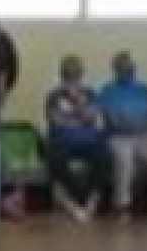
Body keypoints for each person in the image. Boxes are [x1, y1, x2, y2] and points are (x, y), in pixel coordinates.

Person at [96, 52, 147, 220]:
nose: (127, 71)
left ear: (134, 69)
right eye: (122, 68)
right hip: (119, 135)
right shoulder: (108, 90)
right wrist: (125, 123)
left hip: (145, 135)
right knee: (124, 159)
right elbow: (109, 117)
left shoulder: (146, 90)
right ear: (115, 70)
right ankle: (121, 204)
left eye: (129, 67)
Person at [44, 56, 110, 222]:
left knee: (103, 155)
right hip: (62, 140)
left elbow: (91, 118)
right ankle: (72, 202)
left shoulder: (89, 93)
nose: (73, 80)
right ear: (62, 76)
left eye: (76, 75)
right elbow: (55, 121)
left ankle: (91, 202)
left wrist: (78, 103)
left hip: (87, 140)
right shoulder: (54, 96)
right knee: (56, 157)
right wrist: (79, 119)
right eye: (69, 76)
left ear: (81, 76)